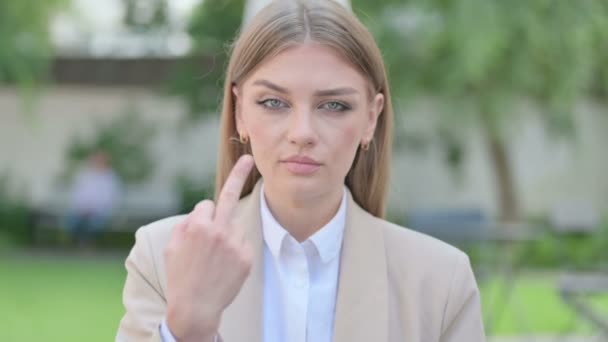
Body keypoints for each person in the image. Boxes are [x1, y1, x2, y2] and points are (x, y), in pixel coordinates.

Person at [116, 1, 486, 341]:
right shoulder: (165, 255)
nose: (302, 133)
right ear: (240, 111)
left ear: (371, 118)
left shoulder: (440, 280)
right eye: (274, 102)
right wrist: (187, 329)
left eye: (334, 105)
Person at [65, 149, 121, 247]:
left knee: (94, 223)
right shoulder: (85, 176)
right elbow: (78, 195)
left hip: (100, 212)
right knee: (72, 221)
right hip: (81, 210)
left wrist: (93, 209)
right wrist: (83, 208)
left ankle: (88, 244)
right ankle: (79, 245)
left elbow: (109, 199)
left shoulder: (110, 178)